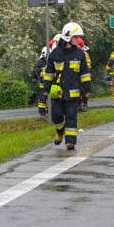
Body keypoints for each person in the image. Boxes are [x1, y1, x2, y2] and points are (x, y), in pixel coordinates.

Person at [42, 22, 91, 151]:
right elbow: (49, 73)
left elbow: (85, 73)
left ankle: (70, 142)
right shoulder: (55, 54)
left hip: (73, 92)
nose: (78, 40)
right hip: (57, 92)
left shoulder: (80, 54)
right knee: (56, 116)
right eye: (76, 37)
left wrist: (87, 89)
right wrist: (45, 90)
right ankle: (60, 131)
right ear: (68, 37)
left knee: (71, 116)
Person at [76, 37, 91, 112]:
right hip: (79, 75)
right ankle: (81, 104)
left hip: (83, 75)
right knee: (80, 90)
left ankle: (84, 103)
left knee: (85, 90)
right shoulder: (75, 53)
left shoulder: (84, 54)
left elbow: (88, 65)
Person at [35, 46, 49, 116]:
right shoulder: (41, 61)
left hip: (48, 82)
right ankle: (42, 111)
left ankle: (48, 110)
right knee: (43, 98)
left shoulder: (48, 61)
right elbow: (39, 72)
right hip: (43, 83)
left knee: (49, 97)